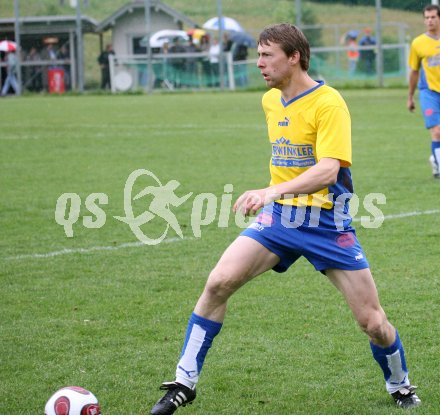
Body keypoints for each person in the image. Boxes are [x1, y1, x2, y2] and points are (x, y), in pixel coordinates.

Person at [149, 23, 421, 415]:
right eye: (258, 54)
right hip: (280, 219)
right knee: (218, 283)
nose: (258, 63)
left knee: (373, 323)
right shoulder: (271, 100)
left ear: (294, 57)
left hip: (328, 223)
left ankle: (400, 384)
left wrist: (271, 190)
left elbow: (329, 170)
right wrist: (276, 198)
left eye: (267, 55)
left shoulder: (329, 103)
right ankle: (183, 382)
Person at [408, 4, 440, 179]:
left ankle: (435, 160)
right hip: (429, 92)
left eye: (433, 17)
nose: (430, 21)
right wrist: (410, 97)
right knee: (437, 131)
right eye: (427, 18)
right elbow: (414, 71)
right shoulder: (418, 43)